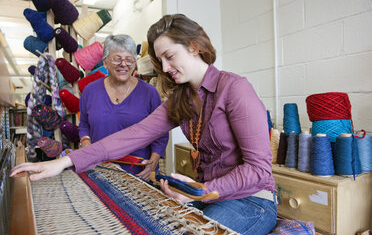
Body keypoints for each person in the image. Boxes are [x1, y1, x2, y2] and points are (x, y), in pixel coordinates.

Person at [11, 14, 277, 235]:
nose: (165, 66)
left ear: (195, 46)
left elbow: (259, 170)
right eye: (160, 60)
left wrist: (202, 192)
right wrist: (65, 161)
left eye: (170, 56)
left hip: (251, 201)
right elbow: (134, 135)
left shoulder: (235, 89)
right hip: (206, 197)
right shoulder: (181, 99)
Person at [79, 34, 169, 180]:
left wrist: (152, 164)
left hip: (138, 175)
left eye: (129, 59)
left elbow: (161, 133)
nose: (123, 64)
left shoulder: (149, 93)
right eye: (117, 58)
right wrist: (85, 141)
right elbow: (84, 124)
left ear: (134, 62)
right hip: (99, 171)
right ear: (105, 62)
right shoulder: (90, 91)